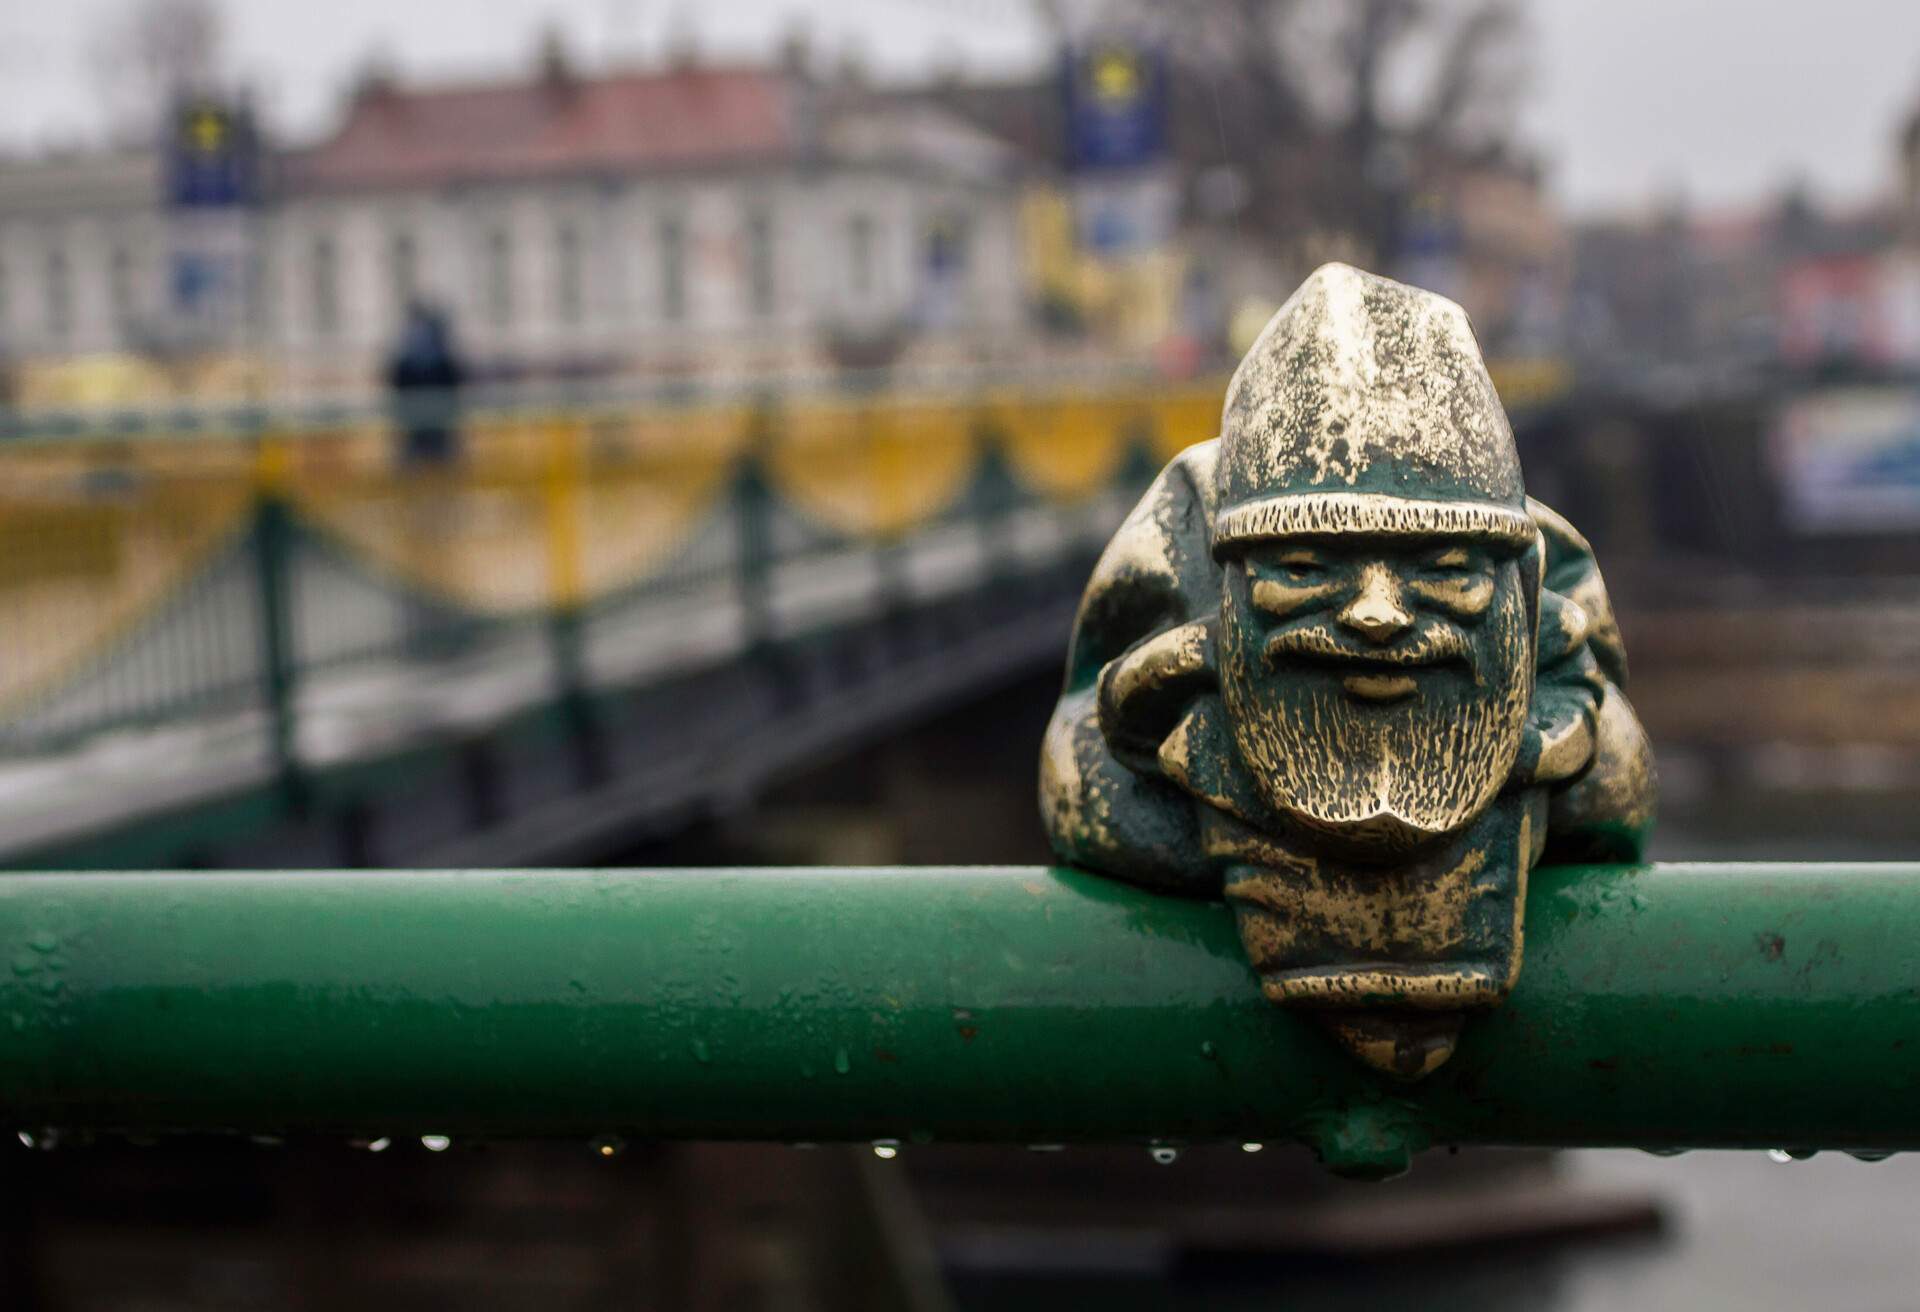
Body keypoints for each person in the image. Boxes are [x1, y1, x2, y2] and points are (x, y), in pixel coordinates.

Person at [1040, 263, 1654, 1078]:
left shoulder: (1585, 748)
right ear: (1217, 597)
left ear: (1525, 592)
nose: (1375, 613)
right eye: (1301, 566)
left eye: (1441, 567)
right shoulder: (1127, 754)